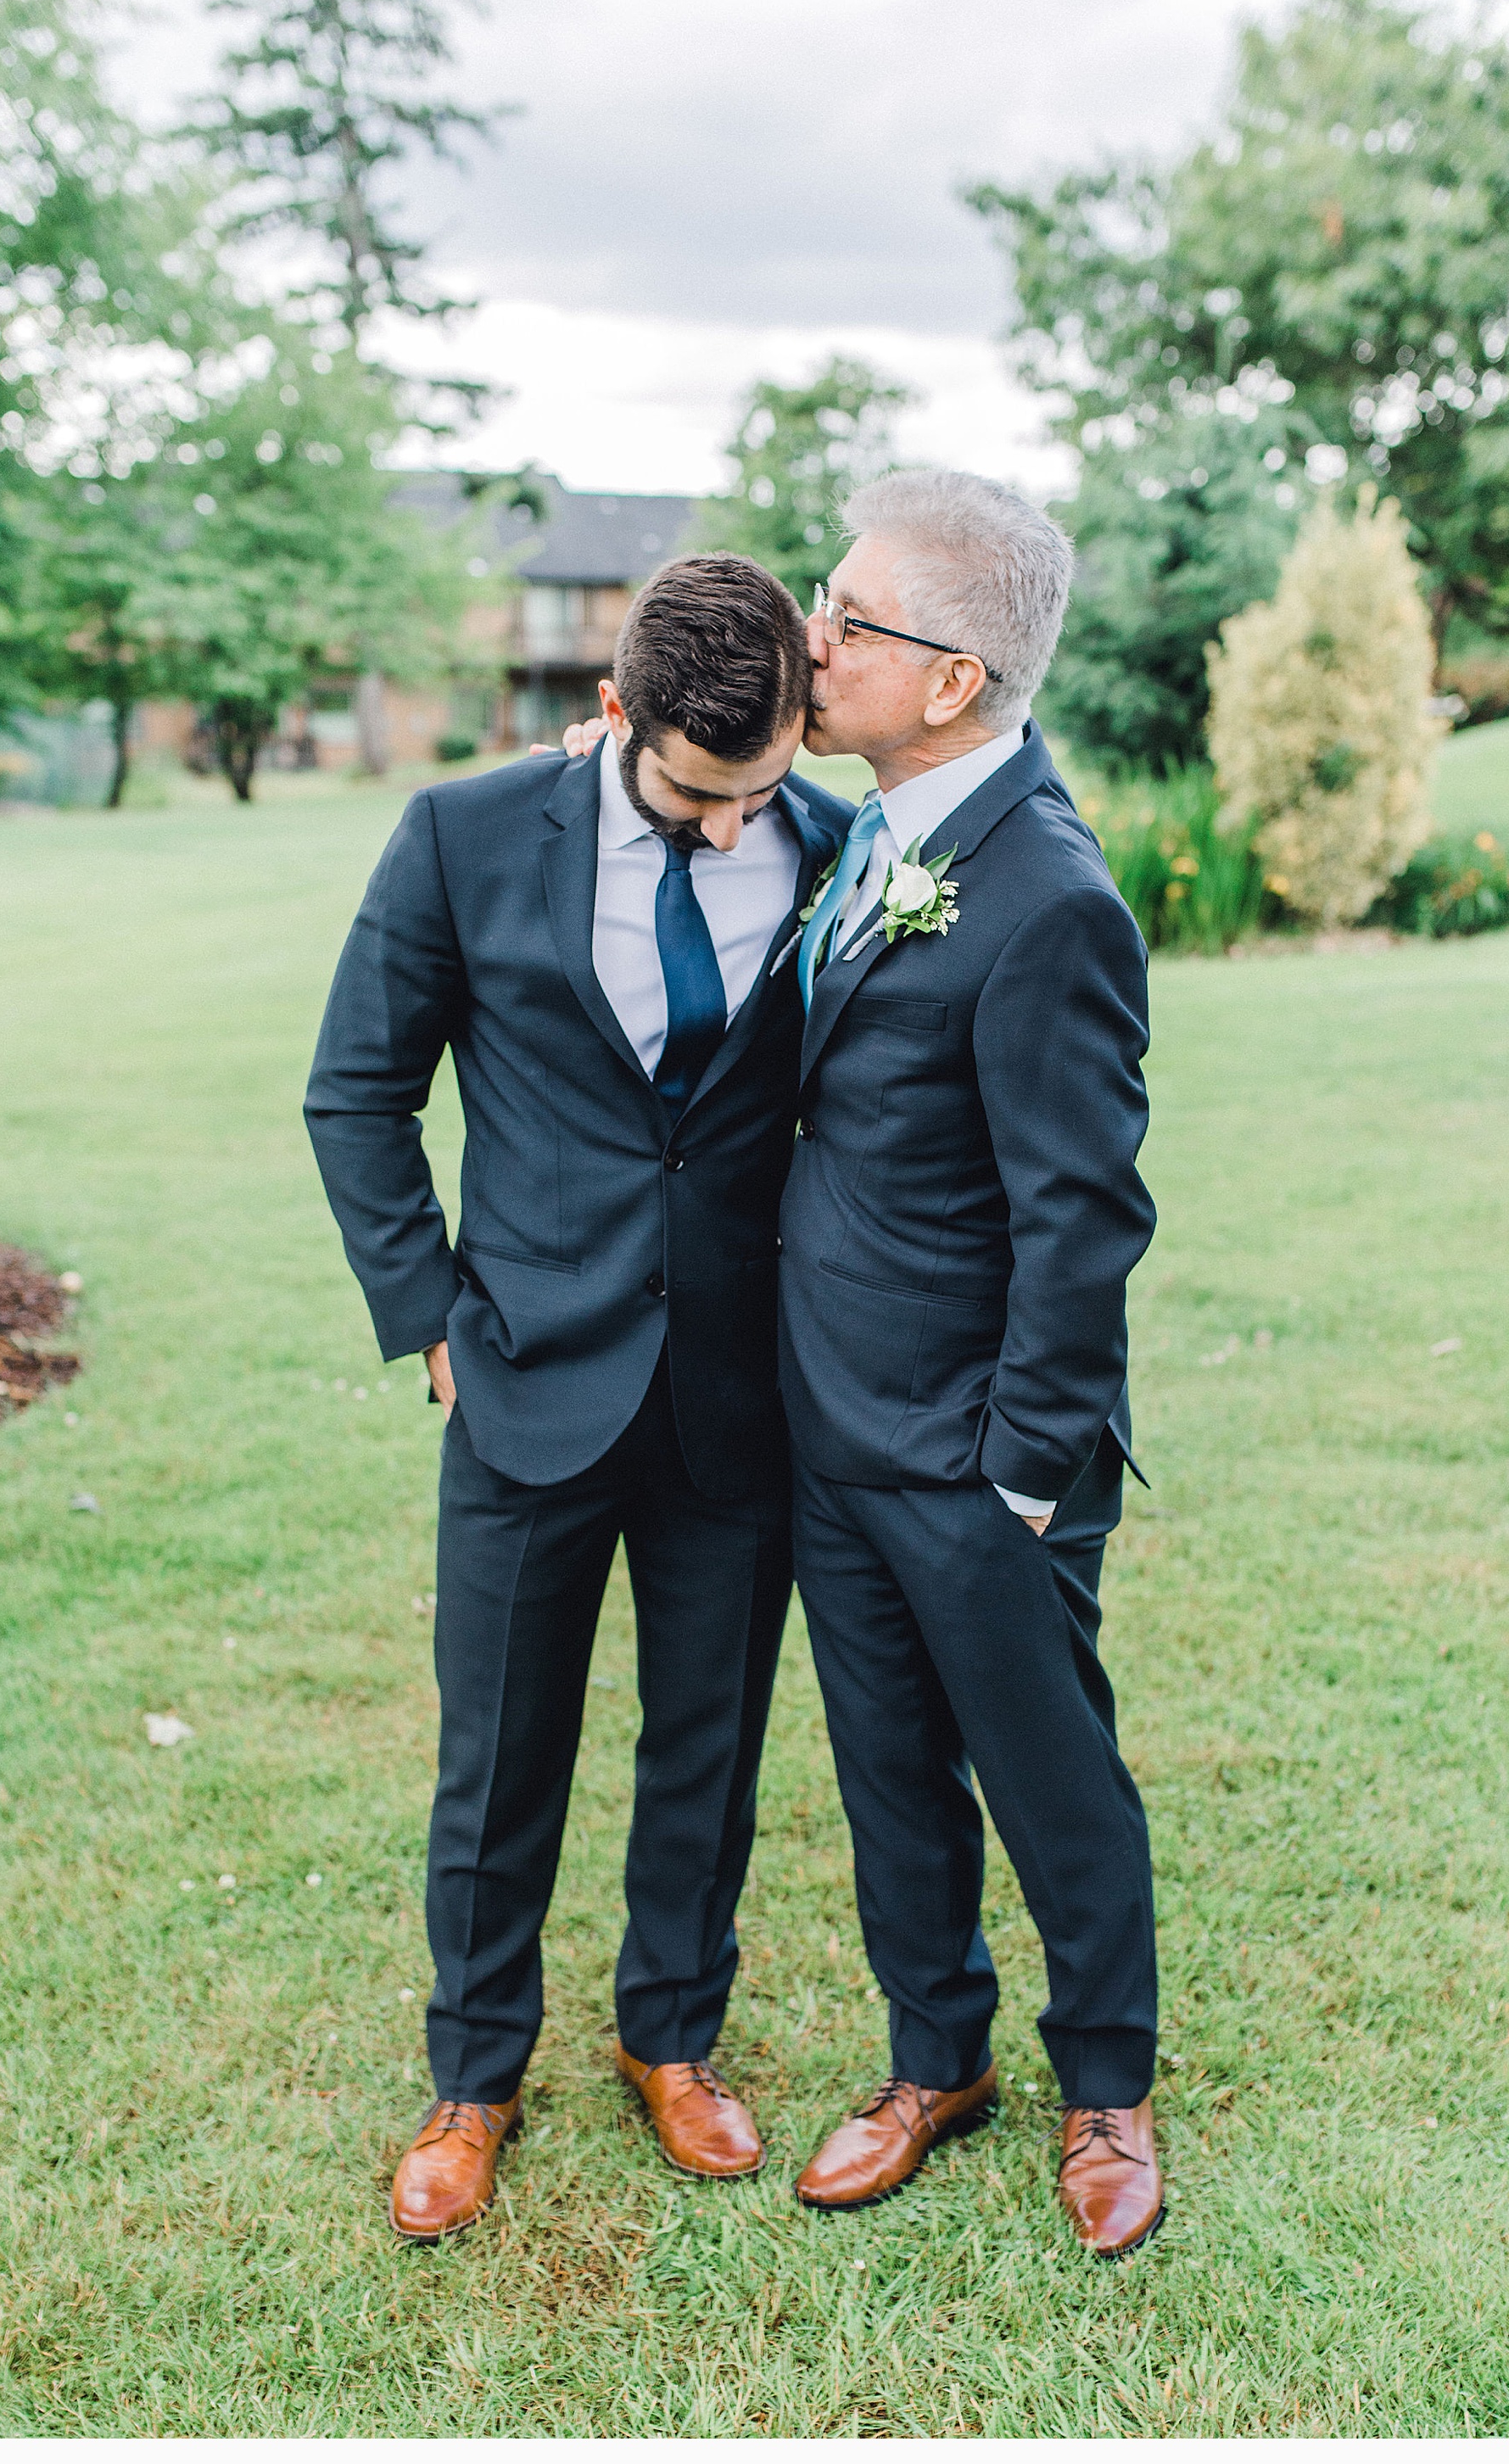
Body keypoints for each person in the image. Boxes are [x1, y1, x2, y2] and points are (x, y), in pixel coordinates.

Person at [305, 555, 852, 2239]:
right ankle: (473, 2077)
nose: (730, 821)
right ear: (612, 714)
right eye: (700, 793)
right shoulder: (462, 841)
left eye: (757, 787)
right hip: (527, 1373)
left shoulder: (840, 850)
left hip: (736, 1389)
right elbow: (355, 1095)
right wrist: (430, 1316)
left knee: (707, 1738)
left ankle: (670, 2039)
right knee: (498, 1755)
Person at [781, 468, 1163, 2258]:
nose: (813, 638)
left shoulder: (1046, 897)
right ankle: (937, 2057)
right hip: (830, 1422)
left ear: (949, 680)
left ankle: (1106, 2088)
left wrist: (1018, 1471)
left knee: (1044, 1769)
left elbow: (1082, 1218)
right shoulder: (861, 829)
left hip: (976, 1451)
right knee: (883, 1766)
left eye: (848, 619)